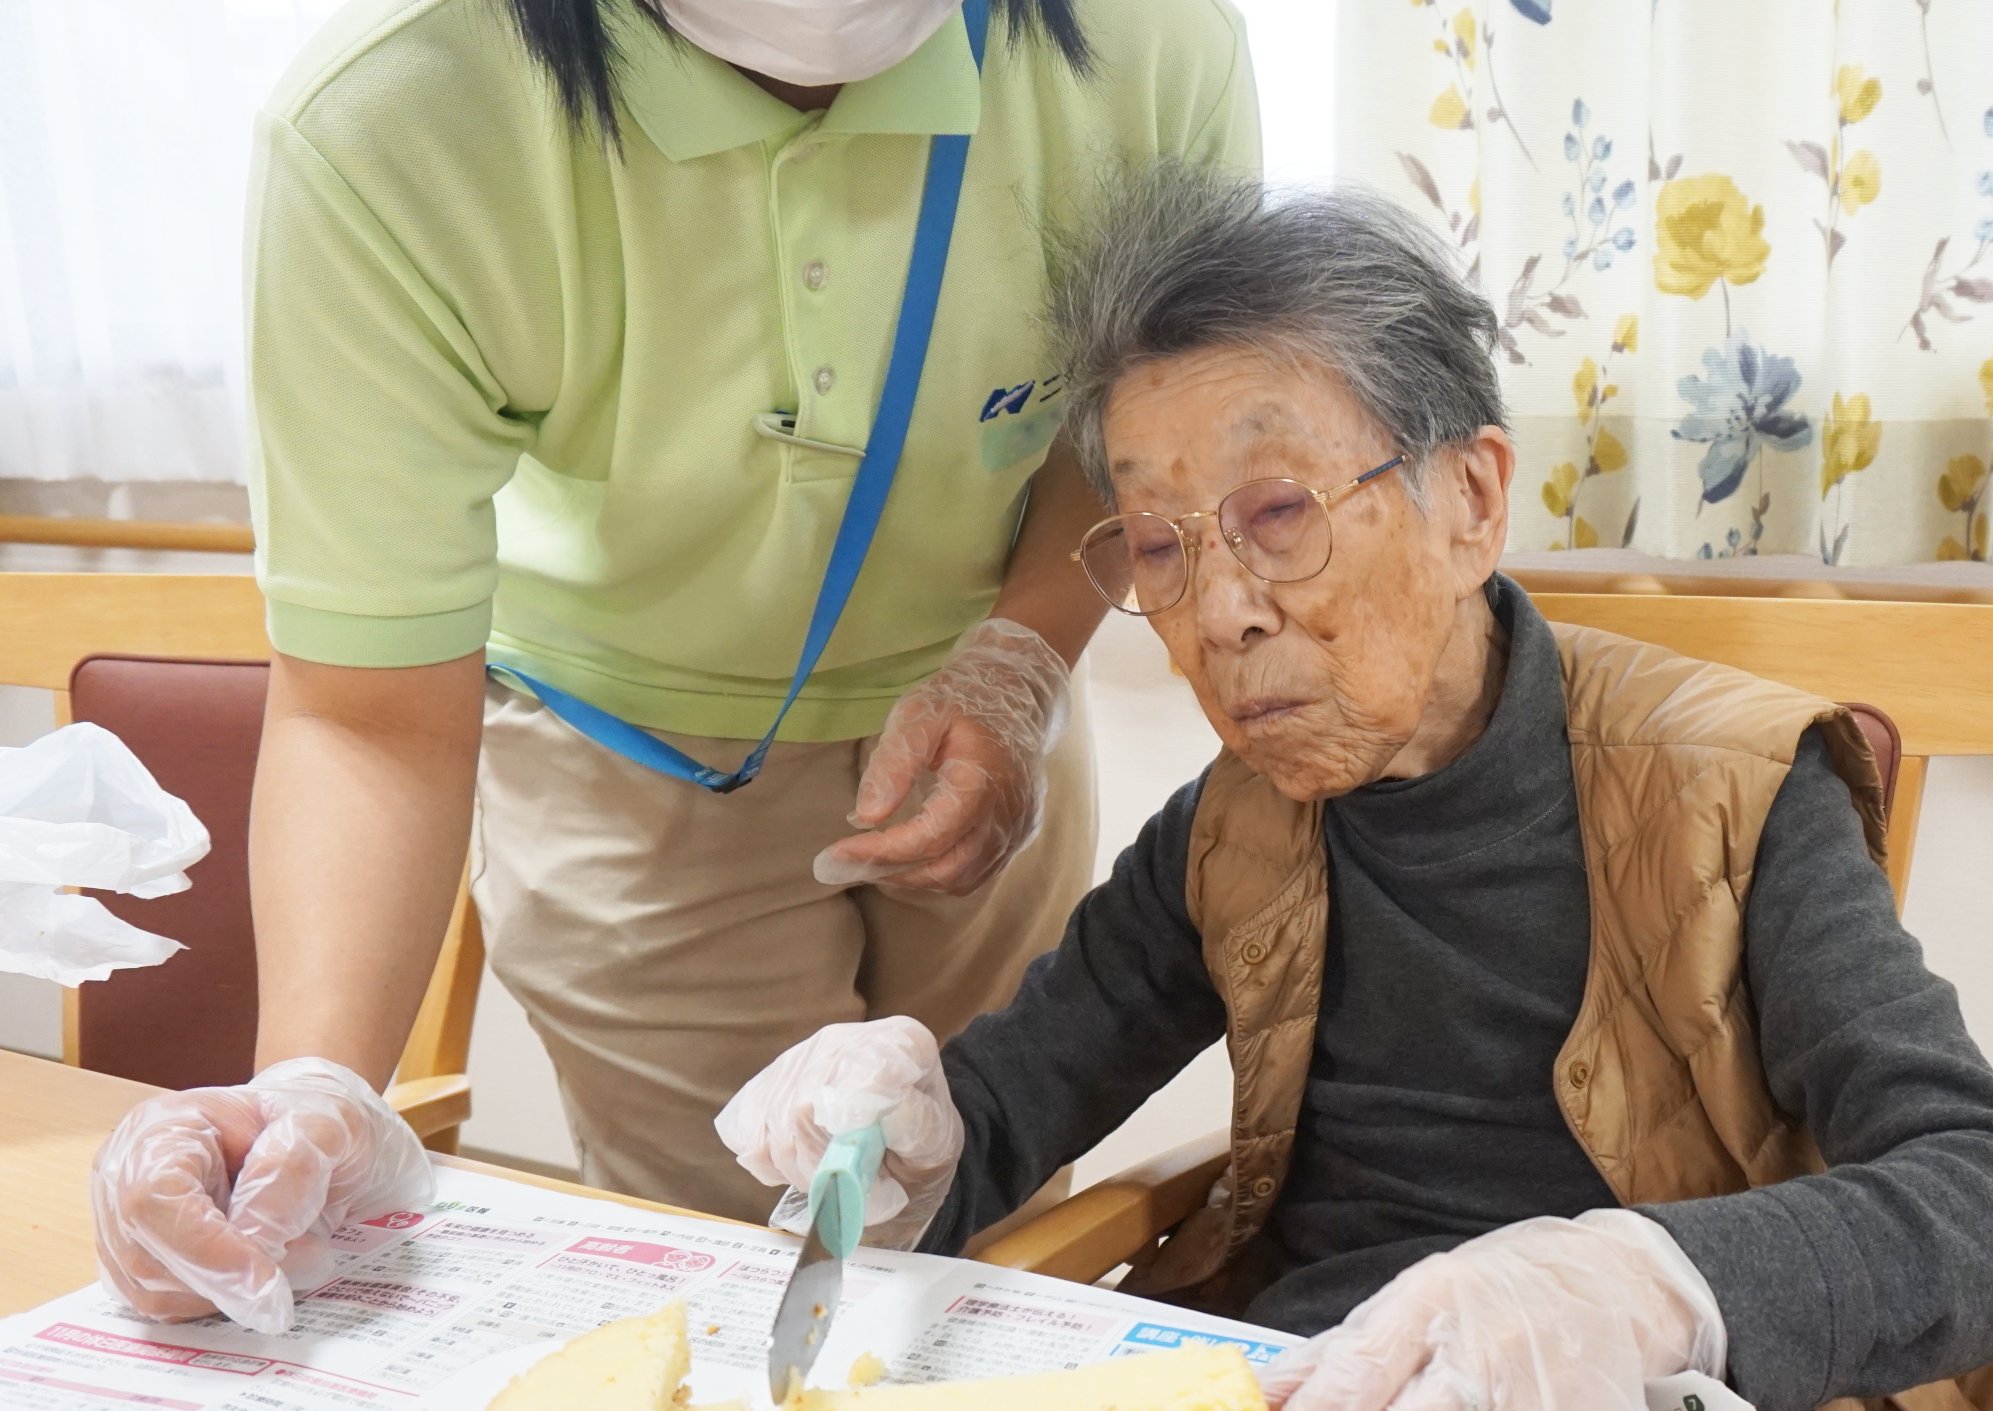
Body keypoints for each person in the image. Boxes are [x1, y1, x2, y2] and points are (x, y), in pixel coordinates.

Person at [717, 168, 1993, 1411]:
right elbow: (1015, 1098)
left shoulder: (1728, 792)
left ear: (1472, 501)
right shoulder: (1234, 823)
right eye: (1157, 548)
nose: (1224, 615)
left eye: (1277, 513)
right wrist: (898, 1129)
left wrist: (1630, 1285)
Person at [87, 0, 1260, 1334]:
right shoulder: (400, 117)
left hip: (992, 678)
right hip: (626, 745)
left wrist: (1018, 663)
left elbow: (1141, 423)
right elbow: (370, 714)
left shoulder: (1147, 41)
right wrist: (311, 1095)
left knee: (986, 1250)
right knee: (741, 1290)